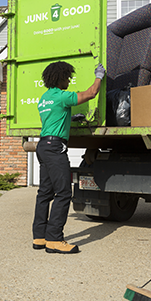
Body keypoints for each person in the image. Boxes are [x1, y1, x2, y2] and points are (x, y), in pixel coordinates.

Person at [33, 61, 105, 254]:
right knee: (64, 193)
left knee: (44, 193)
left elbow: (52, 118)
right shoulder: (61, 95)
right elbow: (90, 94)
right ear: (60, 77)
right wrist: (99, 76)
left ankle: (39, 237)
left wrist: (69, 118)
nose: (69, 80)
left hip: (43, 145)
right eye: (67, 77)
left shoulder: (44, 98)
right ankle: (55, 240)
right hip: (55, 148)